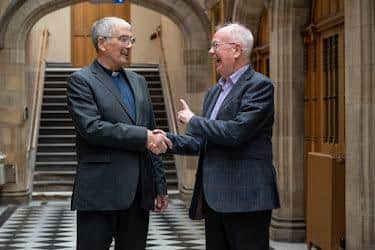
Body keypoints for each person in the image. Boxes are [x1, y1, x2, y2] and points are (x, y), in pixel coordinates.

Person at [157, 23, 280, 250]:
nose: (210, 52)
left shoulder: (259, 86)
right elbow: (205, 142)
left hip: (246, 199)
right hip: (214, 198)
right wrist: (166, 140)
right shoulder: (215, 91)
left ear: (236, 50)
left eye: (215, 46)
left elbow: (236, 133)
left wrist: (193, 120)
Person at [66, 17, 171, 250]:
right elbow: (92, 129)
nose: (130, 45)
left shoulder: (139, 81)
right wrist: (143, 137)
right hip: (99, 192)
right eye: (124, 39)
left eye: (131, 39)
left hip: (137, 194)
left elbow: (152, 131)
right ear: (102, 43)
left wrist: (159, 184)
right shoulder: (81, 81)